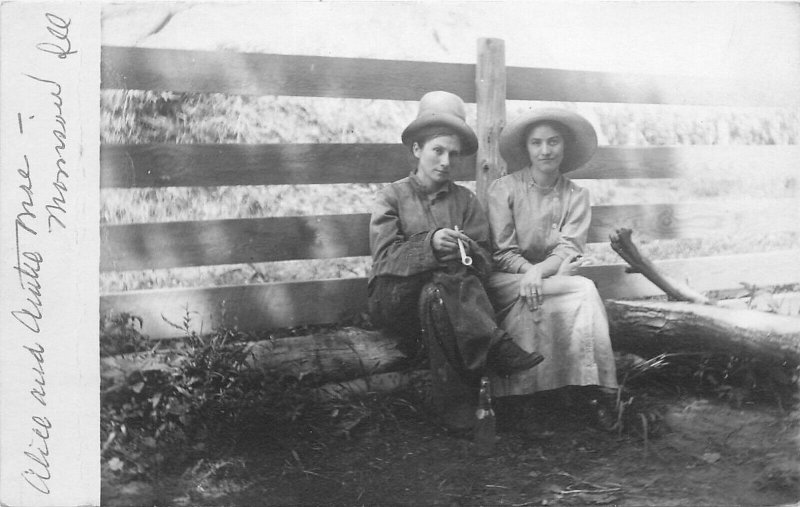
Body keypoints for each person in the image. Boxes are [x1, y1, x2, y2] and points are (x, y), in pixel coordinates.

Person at [368, 91, 543, 427]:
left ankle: (459, 411)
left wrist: (464, 250)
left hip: (444, 300)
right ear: (417, 150)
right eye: (437, 150)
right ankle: (491, 346)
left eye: (453, 154)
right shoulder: (392, 196)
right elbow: (385, 259)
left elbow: (485, 261)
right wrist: (431, 244)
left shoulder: (465, 200)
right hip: (395, 300)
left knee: (439, 289)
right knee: (440, 281)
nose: (446, 161)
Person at [485, 108, 618, 429]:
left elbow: (568, 247)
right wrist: (532, 273)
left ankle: (593, 393)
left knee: (570, 293)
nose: (545, 151)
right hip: (506, 280)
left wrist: (538, 273)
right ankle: (523, 398)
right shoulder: (503, 190)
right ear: (527, 149)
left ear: (564, 147)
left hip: (547, 278)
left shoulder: (576, 195)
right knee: (580, 289)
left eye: (553, 142)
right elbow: (502, 251)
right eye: (537, 143)